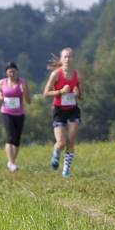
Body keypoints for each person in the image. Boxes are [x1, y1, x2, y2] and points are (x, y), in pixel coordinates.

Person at [43, 47, 83, 178]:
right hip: (59, 110)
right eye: (65, 57)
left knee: (71, 141)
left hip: (73, 110)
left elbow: (83, 95)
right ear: (61, 59)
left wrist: (78, 93)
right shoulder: (56, 74)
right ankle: (56, 153)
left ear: (73, 59)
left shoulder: (77, 75)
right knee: (61, 142)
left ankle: (66, 170)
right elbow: (46, 93)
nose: (67, 59)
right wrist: (60, 92)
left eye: (70, 57)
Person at [0, 62, 31, 172]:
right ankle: (11, 162)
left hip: (19, 113)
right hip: (6, 112)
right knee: (10, 136)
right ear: (6, 72)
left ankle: (11, 163)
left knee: (16, 140)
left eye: (14, 71)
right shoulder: (2, 82)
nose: (12, 73)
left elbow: (28, 101)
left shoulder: (22, 83)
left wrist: (24, 90)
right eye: (9, 71)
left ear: (17, 71)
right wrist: (0, 98)